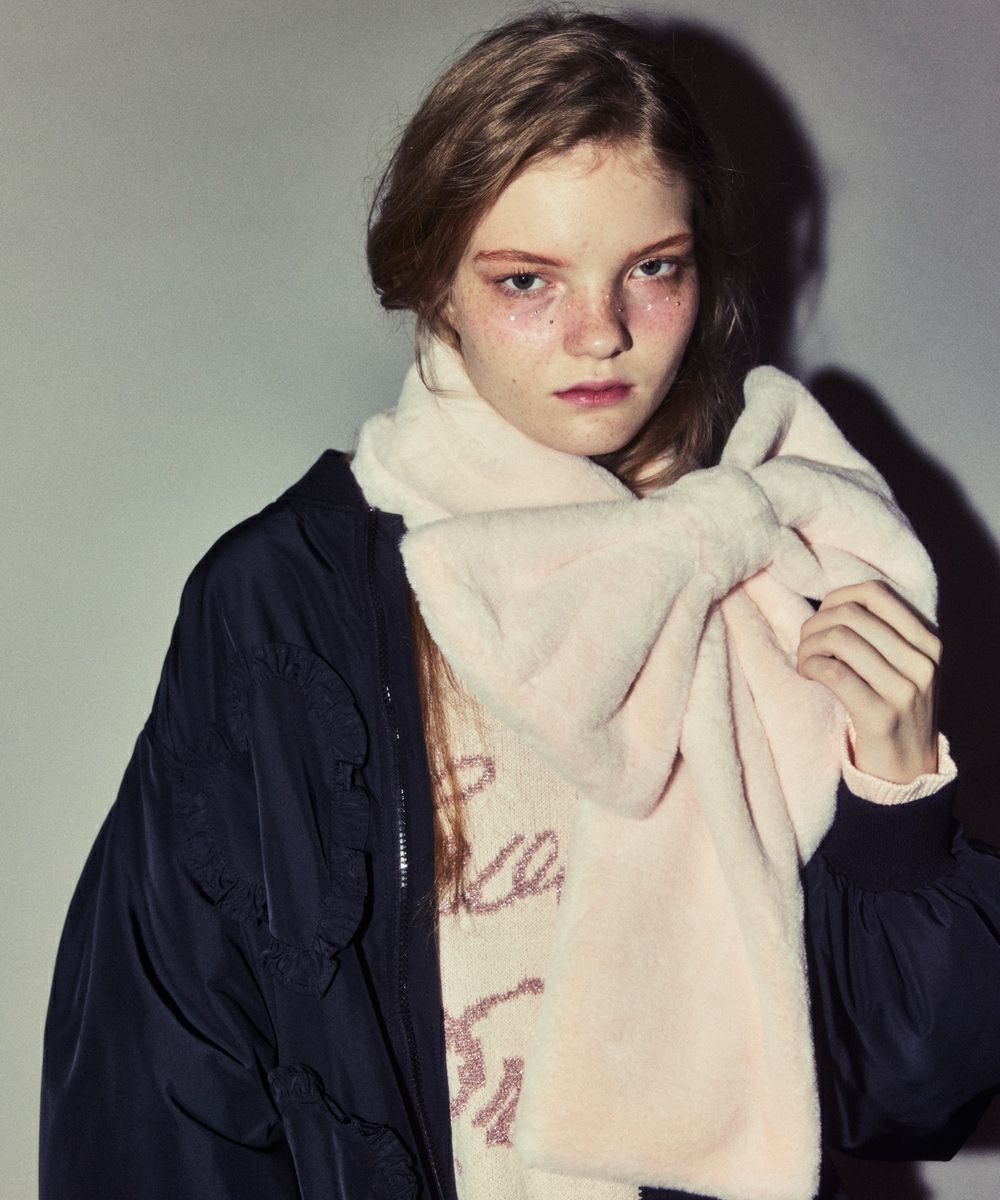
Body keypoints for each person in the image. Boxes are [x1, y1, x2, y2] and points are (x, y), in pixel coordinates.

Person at [39, 12, 1000, 1200]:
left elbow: (901, 1097)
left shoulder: (766, 568)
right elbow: (168, 1076)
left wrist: (897, 798)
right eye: (526, 281)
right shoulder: (285, 601)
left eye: (652, 268)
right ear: (434, 282)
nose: (600, 334)